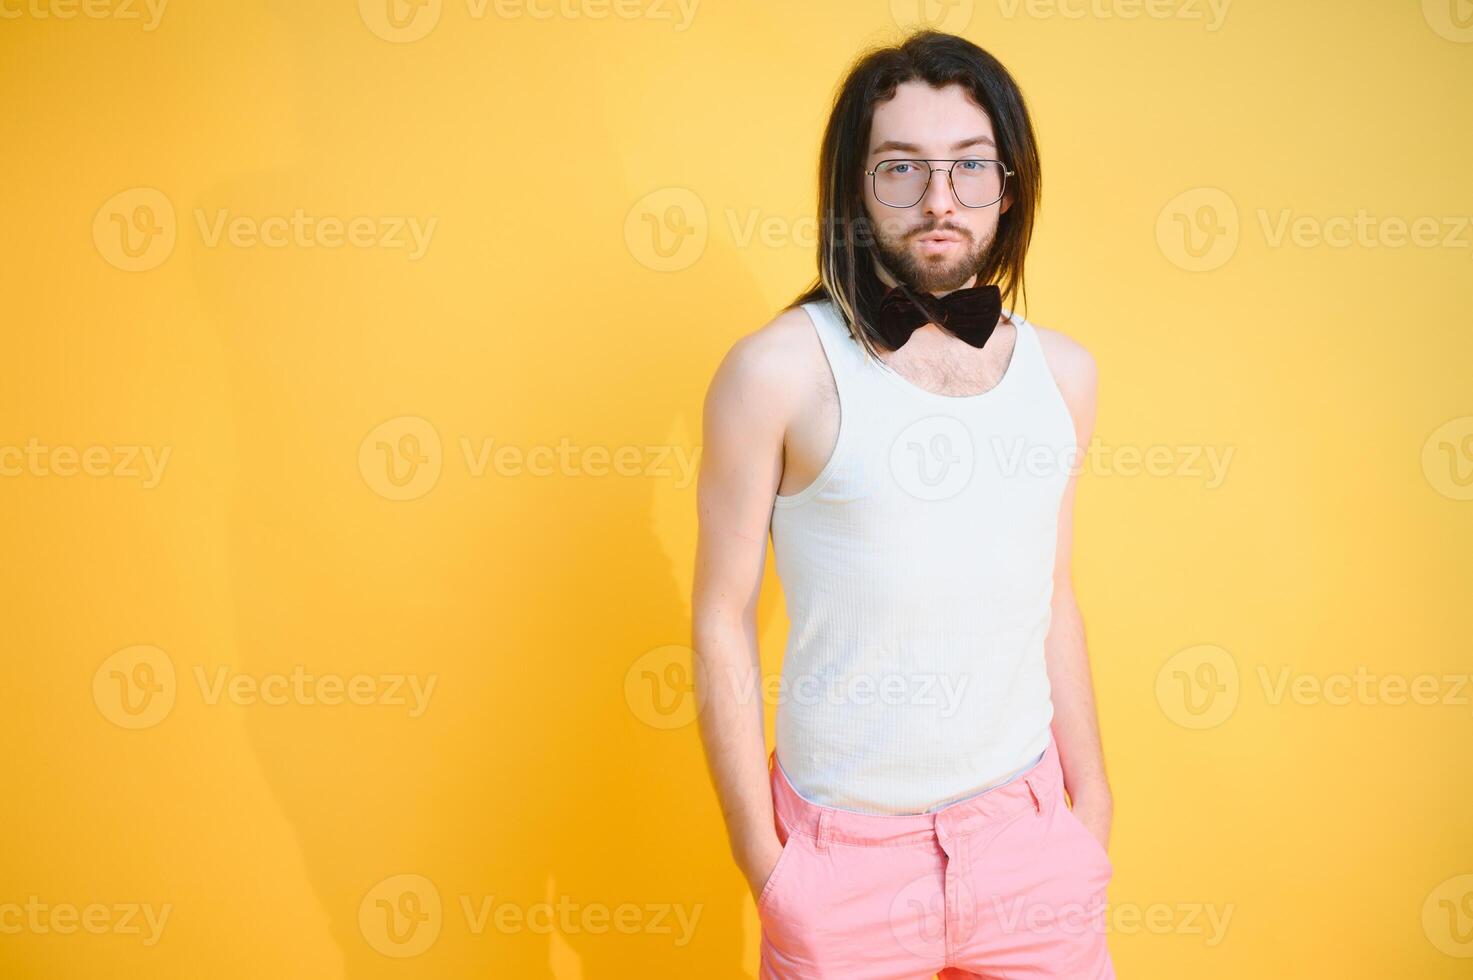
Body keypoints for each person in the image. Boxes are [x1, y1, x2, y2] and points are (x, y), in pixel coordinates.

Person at [692, 30, 1115, 979]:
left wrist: (1090, 811)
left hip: (1030, 839)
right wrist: (764, 861)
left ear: (1009, 186)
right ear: (853, 187)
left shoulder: (1065, 374)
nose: (938, 201)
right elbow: (719, 613)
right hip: (841, 862)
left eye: (969, 168)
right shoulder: (774, 371)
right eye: (900, 170)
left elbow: (1052, 592)